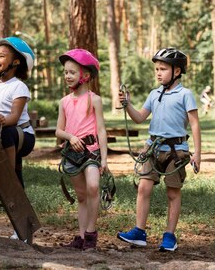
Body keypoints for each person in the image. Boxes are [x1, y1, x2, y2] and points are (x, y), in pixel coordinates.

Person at [117, 47, 202, 252]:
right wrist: (127, 104)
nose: (158, 72)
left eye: (163, 68)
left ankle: (169, 236)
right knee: (143, 188)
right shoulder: (154, 94)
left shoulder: (185, 94)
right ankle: (139, 232)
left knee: (173, 193)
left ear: (177, 71)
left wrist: (198, 153)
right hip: (153, 148)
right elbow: (139, 117)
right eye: (156, 68)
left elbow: (195, 124)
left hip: (176, 150)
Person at [0, 37, 36, 239]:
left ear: (16, 62)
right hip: (2, 136)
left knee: (6, 132)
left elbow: (14, 116)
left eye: (2, 56)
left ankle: (7, 173)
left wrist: (4, 119)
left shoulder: (18, 86)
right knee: (18, 183)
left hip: (21, 135)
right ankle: (23, 226)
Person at [54, 49, 109, 250]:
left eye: (72, 72)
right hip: (72, 153)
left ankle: (91, 234)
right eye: (65, 72)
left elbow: (101, 130)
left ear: (85, 76)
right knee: (81, 196)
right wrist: (71, 137)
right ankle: (80, 237)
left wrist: (104, 158)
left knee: (93, 187)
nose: (67, 76)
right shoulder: (64, 102)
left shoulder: (95, 100)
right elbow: (59, 131)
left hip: (91, 151)